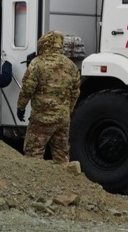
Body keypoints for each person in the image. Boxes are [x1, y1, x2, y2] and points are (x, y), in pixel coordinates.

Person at [16, 30, 81, 164]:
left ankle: (35, 182)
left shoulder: (37, 63)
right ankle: (63, 182)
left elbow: (27, 88)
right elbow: (75, 93)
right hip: (62, 119)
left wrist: (21, 107)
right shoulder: (72, 66)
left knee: (33, 154)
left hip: (41, 118)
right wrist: (67, 111)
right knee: (61, 156)